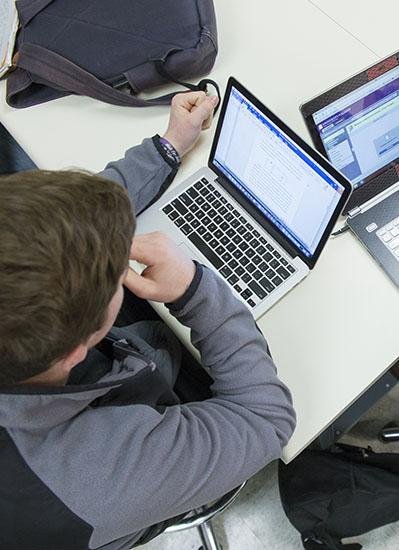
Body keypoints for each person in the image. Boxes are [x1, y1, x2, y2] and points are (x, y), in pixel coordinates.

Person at [0, 91, 296, 550]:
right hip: (112, 493)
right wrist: (195, 290)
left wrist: (169, 147)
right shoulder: (91, 478)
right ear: (77, 351)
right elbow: (266, 418)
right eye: (117, 275)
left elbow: (60, 230)